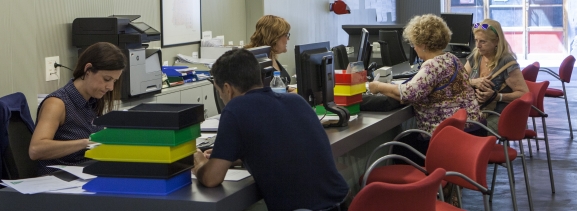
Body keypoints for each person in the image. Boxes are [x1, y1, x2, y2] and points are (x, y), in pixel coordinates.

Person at [192, 49, 349, 210]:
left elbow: (212, 179)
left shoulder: (235, 109)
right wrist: (230, 155)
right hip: (341, 204)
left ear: (227, 89)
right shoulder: (296, 100)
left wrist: (200, 162)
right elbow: (279, 146)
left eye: (220, 93)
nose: (222, 98)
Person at [368, 14, 482, 165]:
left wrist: (377, 86)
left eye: (414, 43)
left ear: (423, 44)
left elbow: (408, 94)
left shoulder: (432, 66)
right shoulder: (451, 58)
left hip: (448, 140)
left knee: (400, 146)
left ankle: (424, 186)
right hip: (472, 130)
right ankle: (445, 185)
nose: (414, 48)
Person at [30, 42, 126, 175]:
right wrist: (85, 143)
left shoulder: (92, 101)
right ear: (88, 70)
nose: (110, 87)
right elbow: (36, 150)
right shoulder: (57, 103)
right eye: (106, 79)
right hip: (59, 180)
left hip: (85, 173)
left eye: (114, 81)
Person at [464, 19, 528, 133]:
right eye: (476, 40)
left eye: (483, 42)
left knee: (472, 133)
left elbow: (524, 94)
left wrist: (496, 96)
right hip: (476, 111)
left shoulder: (506, 61)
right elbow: (460, 80)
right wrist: (474, 82)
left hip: (500, 114)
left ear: (496, 41)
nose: (478, 46)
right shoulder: (476, 56)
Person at [244, 15, 295, 91]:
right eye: (286, 35)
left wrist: (291, 90)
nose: (288, 38)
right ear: (274, 37)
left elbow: (277, 86)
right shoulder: (254, 62)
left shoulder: (271, 56)